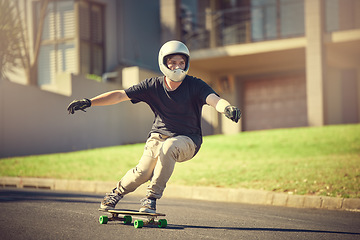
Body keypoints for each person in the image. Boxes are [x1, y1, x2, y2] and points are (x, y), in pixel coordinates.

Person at [67, 40, 241, 213]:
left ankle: (151, 198)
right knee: (142, 172)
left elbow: (214, 100)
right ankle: (116, 193)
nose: (177, 67)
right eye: (173, 63)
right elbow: (120, 95)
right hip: (158, 136)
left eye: (182, 63)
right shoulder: (152, 85)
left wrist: (226, 108)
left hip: (188, 140)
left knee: (169, 147)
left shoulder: (195, 84)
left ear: (187, 64)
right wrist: (90, 102)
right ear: (164, 63)